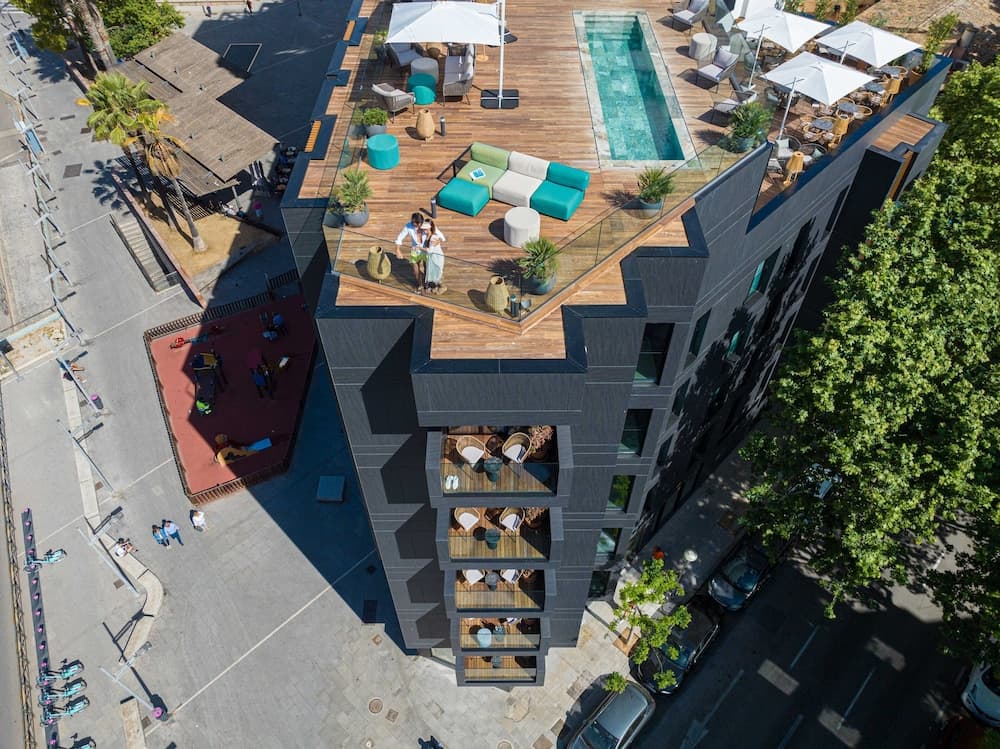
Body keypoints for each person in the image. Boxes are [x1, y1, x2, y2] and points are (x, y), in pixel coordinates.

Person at [394, 212, 428, 293]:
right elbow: (400, 238)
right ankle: (420, 284)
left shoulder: (427, 225)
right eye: (414, 224)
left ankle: (427, 283)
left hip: (426, 250)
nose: (415, 227)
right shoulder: (408, 226)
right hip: (415, 250)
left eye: (417, 225)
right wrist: (398, 250)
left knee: (427, 267)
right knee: (416, 270)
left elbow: (437, 234)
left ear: (421, 223)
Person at [420, 220, 447, 294]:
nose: (423, 230)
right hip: (430, 258)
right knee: (431, 272)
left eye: (425, 229)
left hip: (436, 257)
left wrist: (419, 248)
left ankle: (442, 287)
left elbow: (430, 250)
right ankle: (433, 286)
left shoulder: (433, 237)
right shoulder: (426, 235)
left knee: (437, 272)